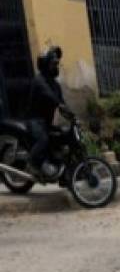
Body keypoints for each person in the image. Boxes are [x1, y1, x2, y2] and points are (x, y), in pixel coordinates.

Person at [25, 46, 73, 177]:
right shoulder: (39, 81)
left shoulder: (55, 85)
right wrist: (60, 105)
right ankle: (32, 163)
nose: (56, 66)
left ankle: (58, 168)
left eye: (57, 63)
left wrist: (71, 115)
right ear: (45, 65)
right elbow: (51, 97)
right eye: (53, 63)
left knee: (60, 137)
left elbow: (61, 102)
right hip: (35, 121)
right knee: (44, 140)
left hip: (46, 122)